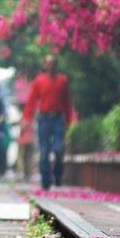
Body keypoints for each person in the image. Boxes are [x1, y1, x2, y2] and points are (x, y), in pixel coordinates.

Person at [23, 54, 73, 190]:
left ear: (56, 65)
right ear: (45, 65)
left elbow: (67, 102)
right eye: (48, 63)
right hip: (44, 119)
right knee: (44, 151)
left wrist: (69, 121)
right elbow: (32, 100)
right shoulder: (39, 80)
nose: (51, 66)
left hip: (58, 119)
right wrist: (27, 118)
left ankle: (57, 173)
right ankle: (46, 180)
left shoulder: (63, 80)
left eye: (53, 63)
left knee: (58, 149)